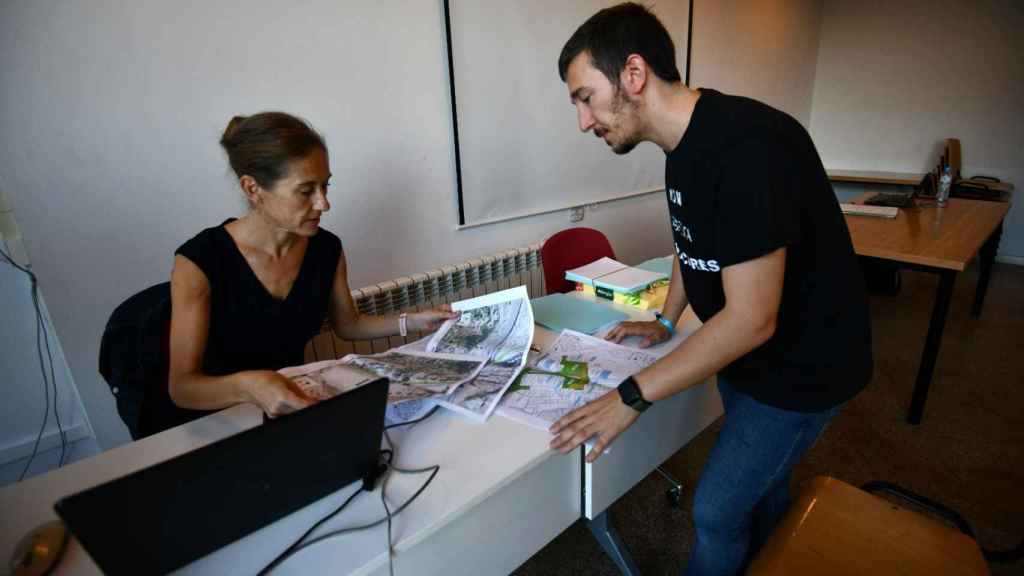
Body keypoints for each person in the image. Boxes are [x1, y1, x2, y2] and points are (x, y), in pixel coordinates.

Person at [548, 4, 872, 575]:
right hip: (751, 360)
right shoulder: (683, 148)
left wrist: (631, 396)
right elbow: (691, 241)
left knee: (717, 512)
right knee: (762, 489)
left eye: (585, 97)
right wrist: (666, 320)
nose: (582, 120)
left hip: (805, 367)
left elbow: (751, 319)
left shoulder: (749, 145)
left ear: (633, 73)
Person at [167, 112, 456, 422]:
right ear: (252, 188)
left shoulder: (326, 248)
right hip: (213, 421)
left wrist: (414, 321)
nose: (323, 204)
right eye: (306, 191)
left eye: (325, 186)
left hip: (292, 411)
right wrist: (249, 386)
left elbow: (349, 325)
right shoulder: (199, 261)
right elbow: (182, 388)